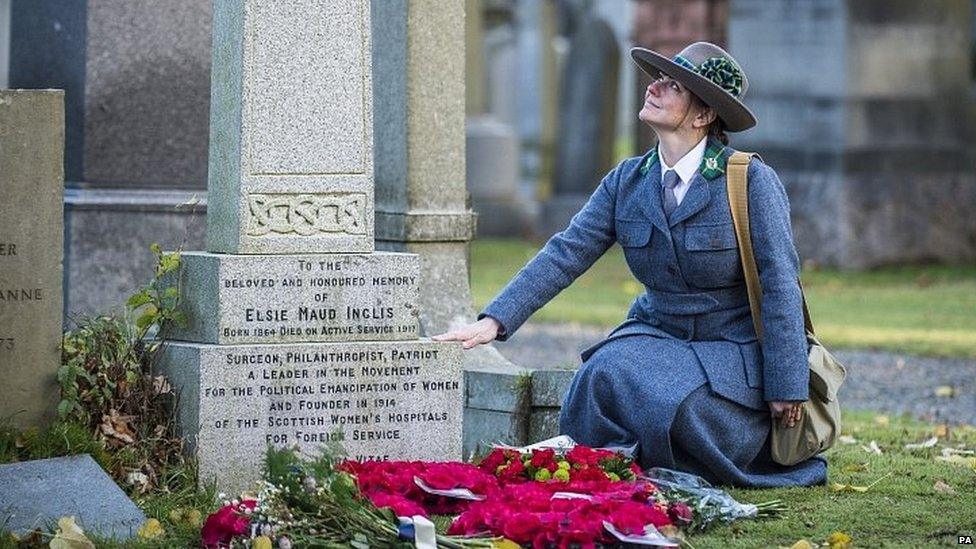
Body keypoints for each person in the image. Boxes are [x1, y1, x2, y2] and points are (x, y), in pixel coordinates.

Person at [434, 42, 827, 487]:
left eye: (673, 85)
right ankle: (603, 473)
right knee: (597, 378)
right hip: (656, 334)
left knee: (678, 406)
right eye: (657, 77)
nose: (654, 86)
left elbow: (779, 284)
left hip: (729, 348)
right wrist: (494, 321)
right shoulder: (627, 181)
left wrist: (786, 384)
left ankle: (637, 465)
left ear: (702, 116)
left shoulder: (750, 180)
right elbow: (567, 252)